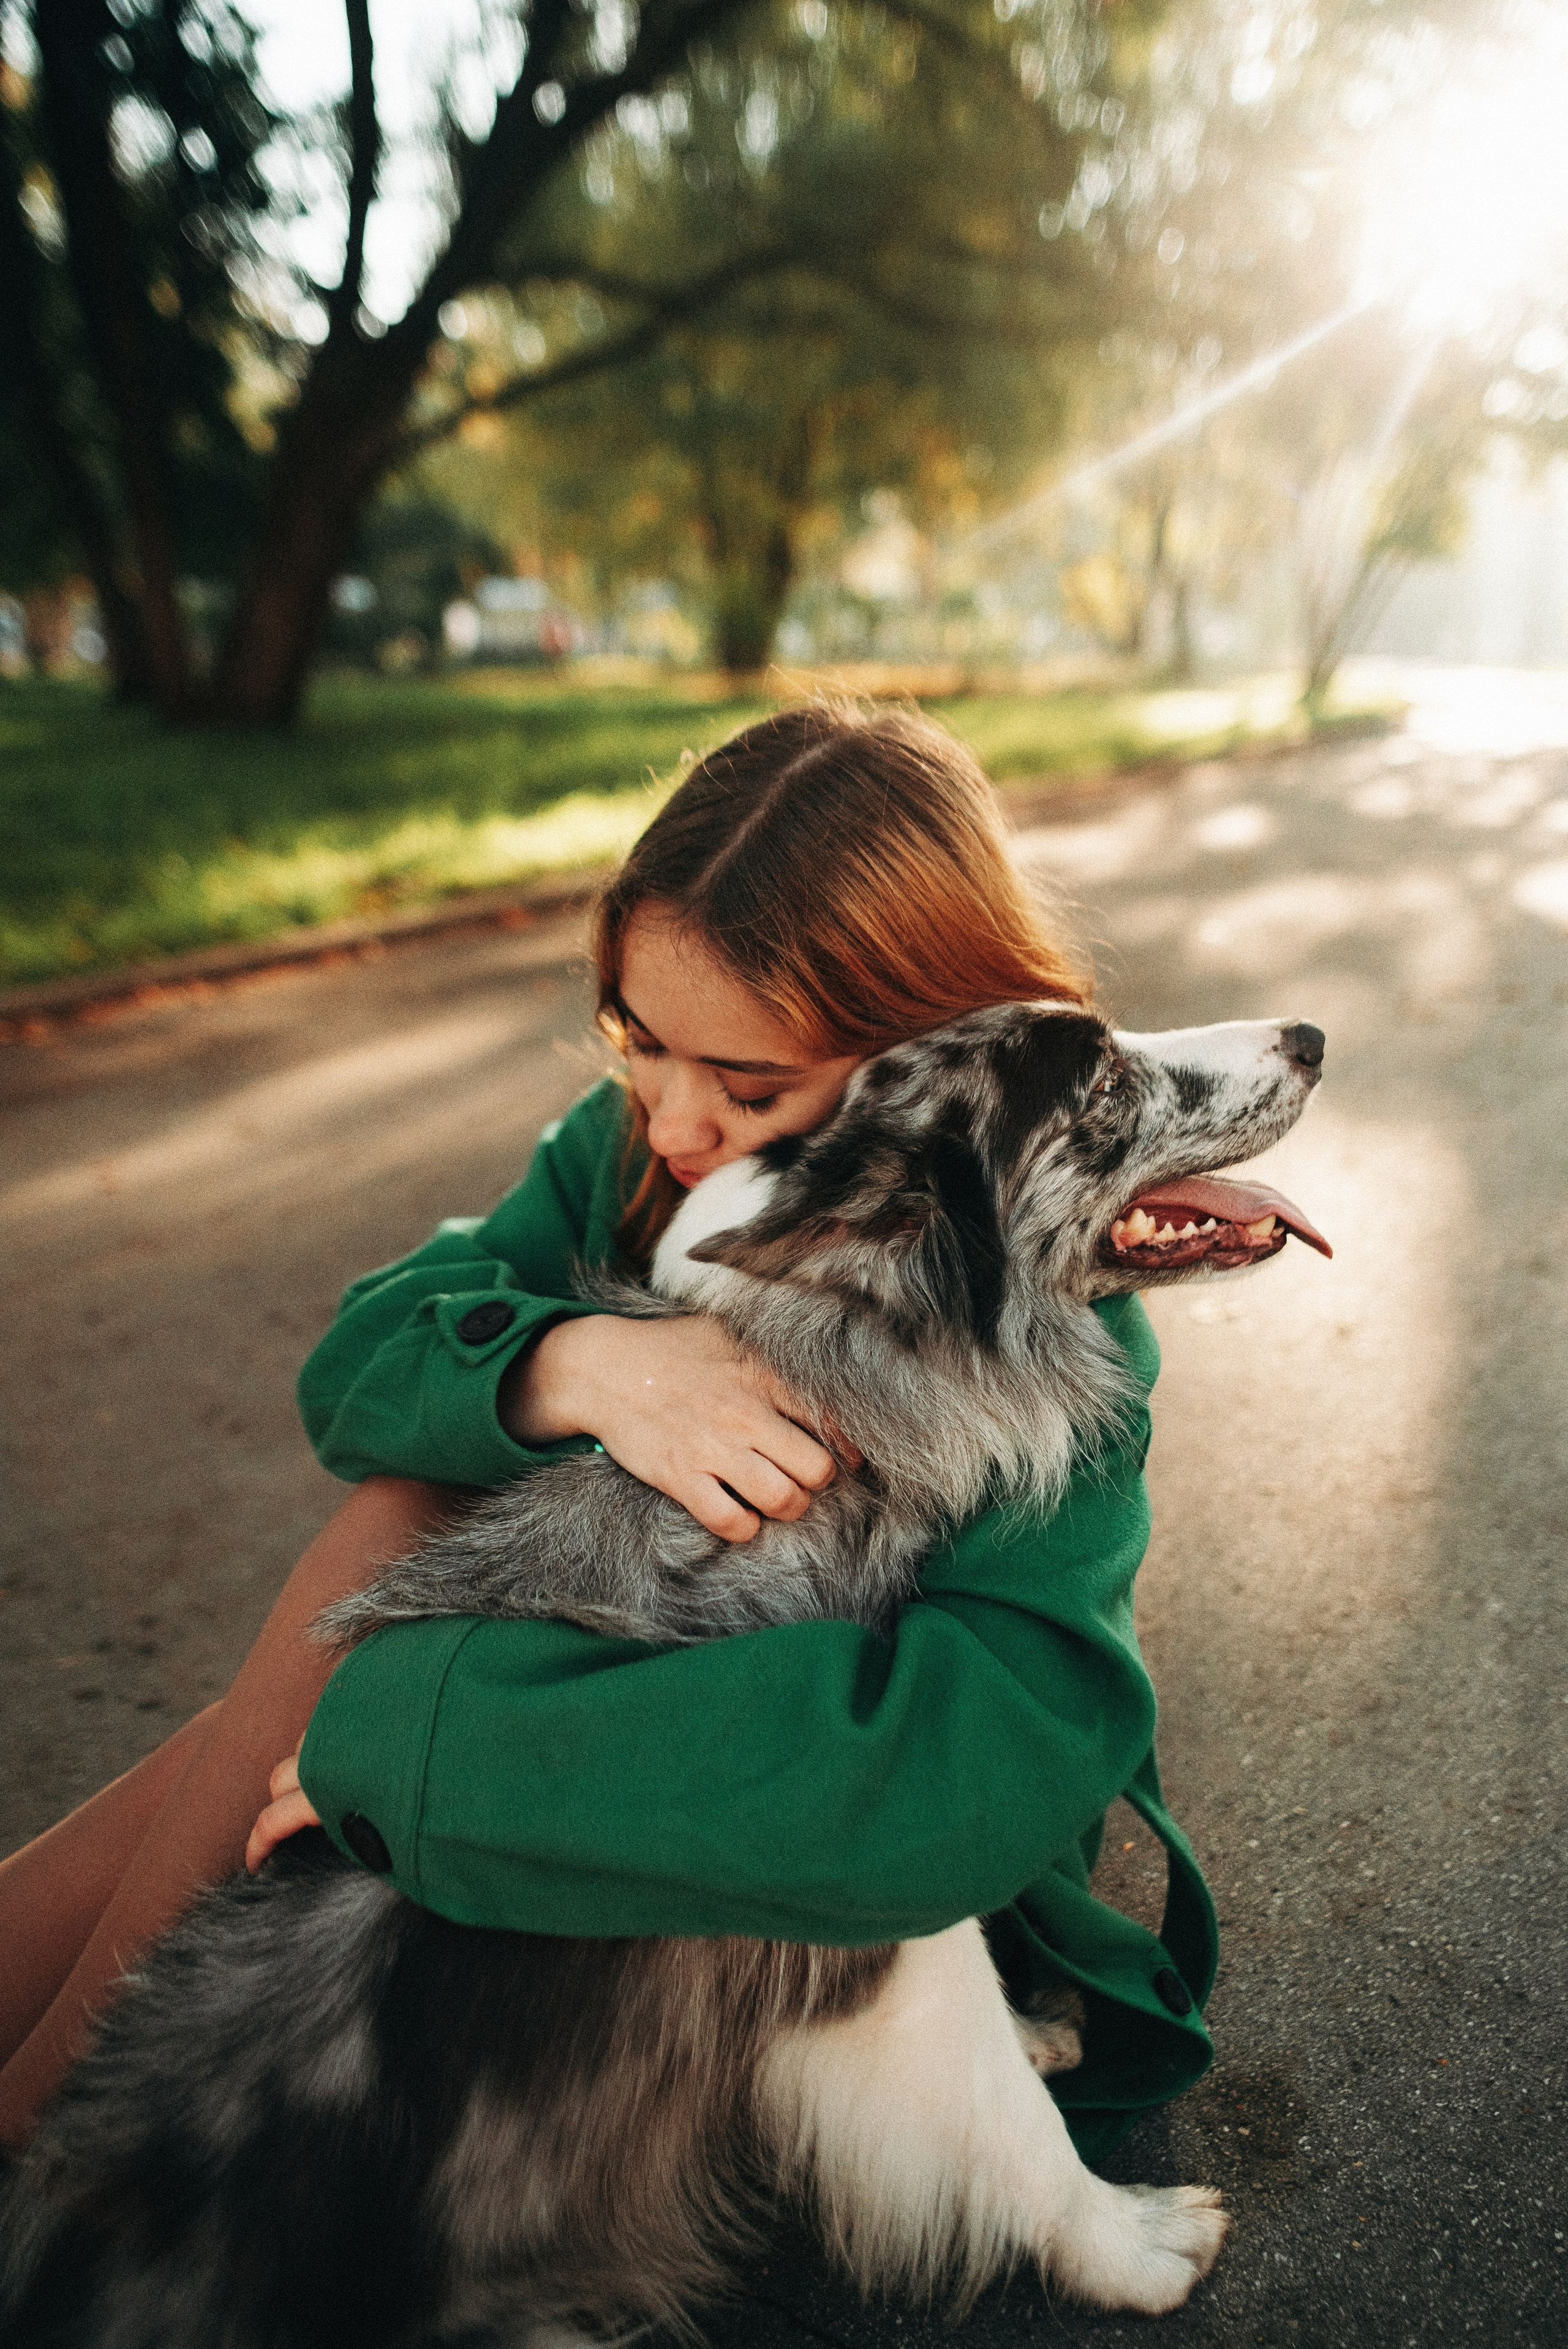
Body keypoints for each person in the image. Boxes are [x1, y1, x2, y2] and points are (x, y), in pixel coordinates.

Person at [0, 703, 1218, 2161]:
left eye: (751, 1086)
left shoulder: (1036, 1315)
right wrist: (580, 1364)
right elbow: (358, 1363)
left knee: (317, 1691)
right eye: (638, 1039)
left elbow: (985, 1768)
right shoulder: (627, 1145)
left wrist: (425, 1748)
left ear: (924, 1067)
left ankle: (48, 2147)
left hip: (792, 1848)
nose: (673, 1122)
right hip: (566, 1699)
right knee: (353, 1583)